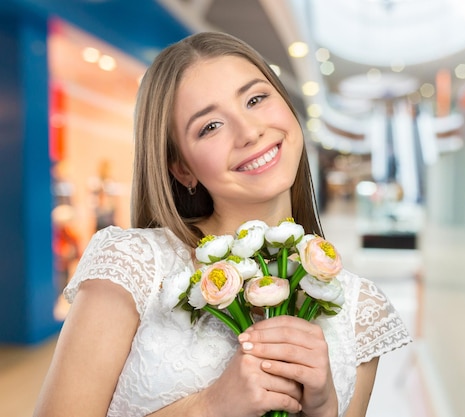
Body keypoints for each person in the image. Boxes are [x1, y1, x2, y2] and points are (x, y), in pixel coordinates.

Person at [34, 32, 411, 417]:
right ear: (181, 168)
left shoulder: (362, 309)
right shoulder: (132, 267)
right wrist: (212, 405)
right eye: (210, 126)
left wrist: (323, 408)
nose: (249, 132)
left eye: (255, 99)